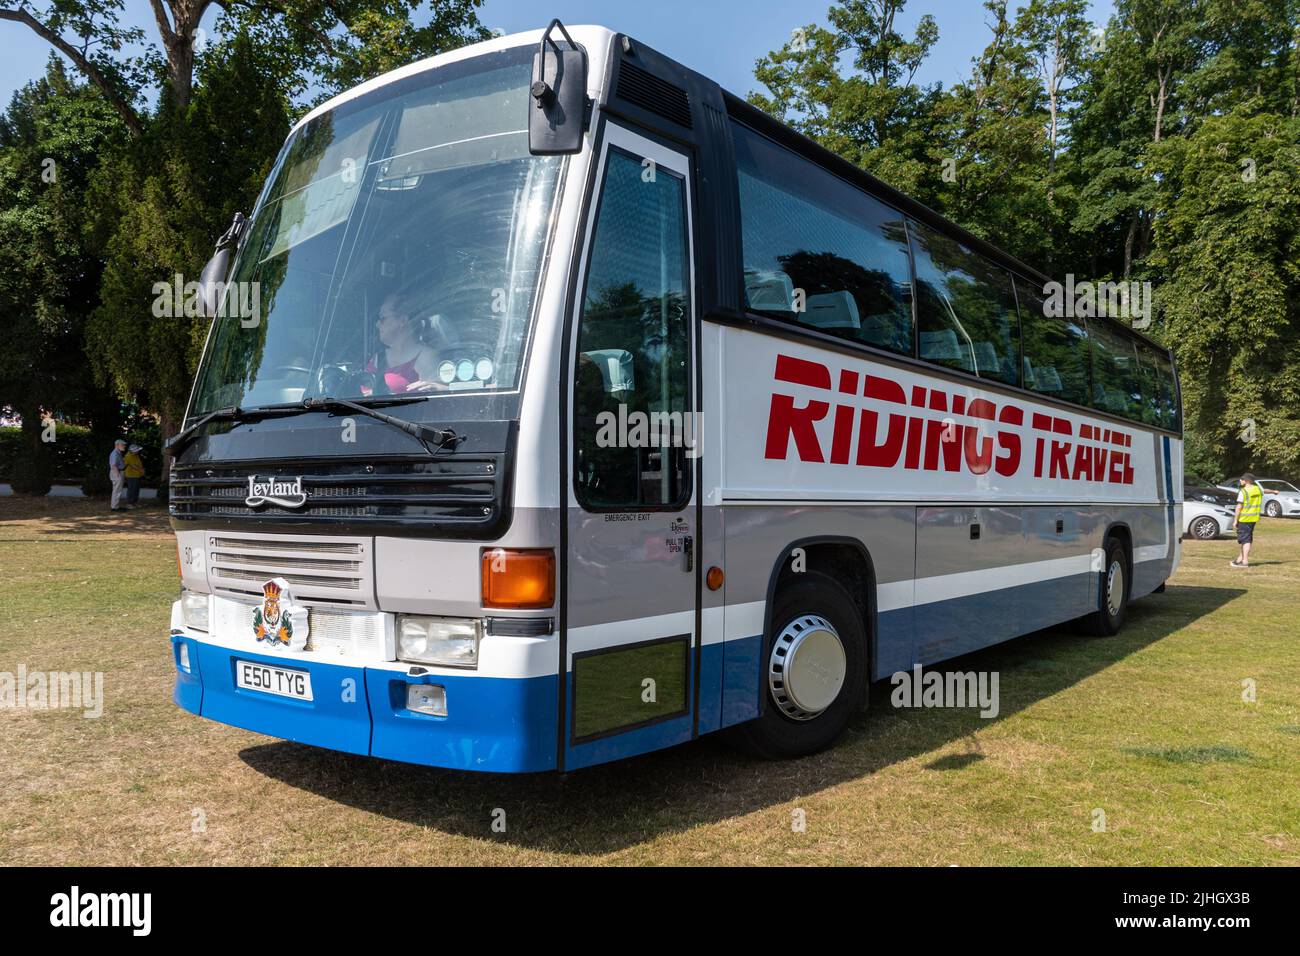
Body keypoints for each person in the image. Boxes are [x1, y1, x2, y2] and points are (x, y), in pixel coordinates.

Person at [363, 292, 445, 393]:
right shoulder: (377, 359)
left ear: (402, 320)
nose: (377, 324)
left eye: (382, 318)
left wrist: (439, 388)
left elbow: (439, 401)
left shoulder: (426, 357)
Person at [1231, 472, 1263, 568]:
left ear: (1247, 481)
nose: (1240, 481)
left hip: (1244, 519)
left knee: (1246, 540)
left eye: (1242, 479)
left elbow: (1239, 507)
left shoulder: (1243, 491)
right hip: (1253, 518)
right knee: (1245, 539)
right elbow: (1265, 491)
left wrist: (1235, 520)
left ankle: (1244, 561)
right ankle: (1239, 559)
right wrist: (1274, 492)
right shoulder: (1257, 489)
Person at [108, 439, 129, 511]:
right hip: (117, 472)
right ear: (117, 445)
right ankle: (114, 507)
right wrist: (118, 474)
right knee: (117, 490)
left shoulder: (118, 453)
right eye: (122, 445)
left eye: (124, 445)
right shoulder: (115, 453)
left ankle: (115, 506)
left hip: (118, 472)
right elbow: (114, 465)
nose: (124, 446)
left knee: (117, 490)